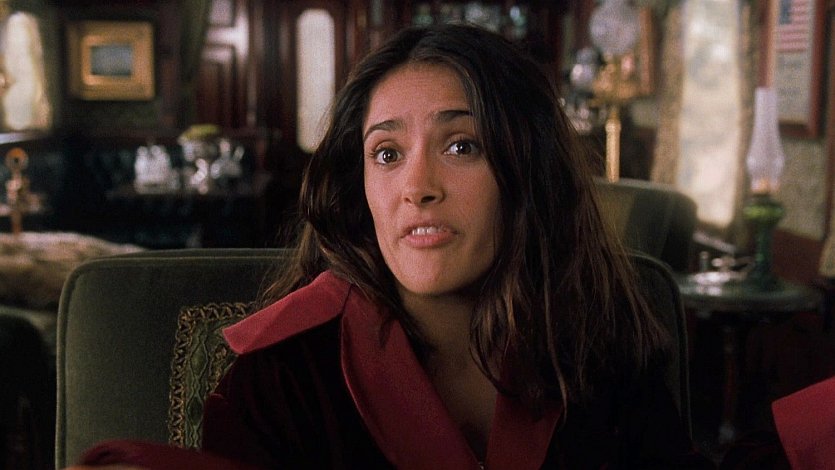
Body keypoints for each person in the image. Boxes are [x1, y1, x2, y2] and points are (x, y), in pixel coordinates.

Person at [70, 24, 711, 469]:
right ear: (361, 188)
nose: (417, 187)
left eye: (461, 145)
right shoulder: (285, 372)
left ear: (528, 173)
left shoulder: (602, 345)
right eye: (386, 153)